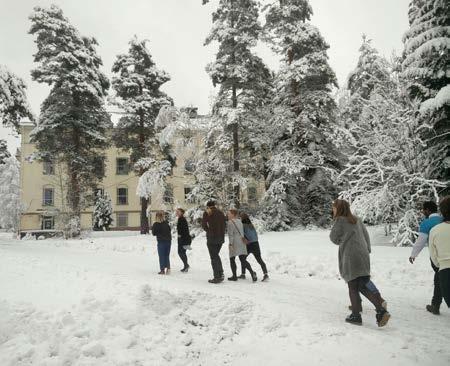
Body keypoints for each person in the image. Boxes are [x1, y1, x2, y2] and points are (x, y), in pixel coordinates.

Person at [330, 199, 390, 327]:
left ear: (339, 209)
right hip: (363, 254)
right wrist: (367, 249)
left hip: (350, 256)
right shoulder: (357, 219)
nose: (333, 210)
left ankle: (359, 315)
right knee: (361, 284)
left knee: (353, 285)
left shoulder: (340, 220)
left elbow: (333, 238)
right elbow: (366, 235)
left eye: (334, 208)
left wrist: (342, 240)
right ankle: (372, 310)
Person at [409, 201, 443, 315]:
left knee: (439, 279)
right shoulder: (444, 219)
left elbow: (420, 241)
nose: (422, 212)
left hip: (437, 257)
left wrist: (413, 255)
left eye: (423, 209)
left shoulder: (427, 223)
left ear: (428, 210)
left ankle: (435, 305)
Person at [429, 196, 450, 308]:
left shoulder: (435, 230)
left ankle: (435, 304)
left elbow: (433, 256)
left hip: (445, 271)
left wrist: (440, 265)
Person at [227, 209, 257, 282]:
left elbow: (230, 235)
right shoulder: (240, 221)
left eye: (229, 214)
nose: (228, 215)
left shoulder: (230, 222)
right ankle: (252, 272)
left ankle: (234, 276)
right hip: (242, 242)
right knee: (243, 260)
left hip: (235, 242)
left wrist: (230, 244)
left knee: (232, 259)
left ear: (233, 214)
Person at [239, 213, 269, 282]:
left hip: (249, 244)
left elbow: (241, 235)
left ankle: (244, 274)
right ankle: (266, 274)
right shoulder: (251, 225)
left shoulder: (243, 226)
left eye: (240, 218)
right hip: (256, 244)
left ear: (242, 219)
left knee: (242, 258)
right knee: (259, 259)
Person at [202, 200, 226, 284]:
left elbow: (204, 225)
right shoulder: (221, 213)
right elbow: (224, 225)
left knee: (213, 257)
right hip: (220, 238)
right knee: (216, 256)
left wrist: (209, 231)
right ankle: (221, 273)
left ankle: (217, 277)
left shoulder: (207, 213)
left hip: (212, 238)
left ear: (208, 206)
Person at [151, 211, 172, 275]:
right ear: (163, 217)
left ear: (156, 217)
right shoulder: (166, 223)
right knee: (166, 255)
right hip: (168, 241)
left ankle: (162, 270)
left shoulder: (156, 224)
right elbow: (169, 230)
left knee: (161, 256)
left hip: (161, 242)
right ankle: (168, 269)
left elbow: (154, 233)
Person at [176, 208, 191, 273]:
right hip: (183, 239)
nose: (176, 213)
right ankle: (186, 265)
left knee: (181, 252)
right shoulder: (181, 219)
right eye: (176, 212)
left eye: (178, 212)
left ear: (182, 212)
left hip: (184, 239)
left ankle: (186, 266)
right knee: (182, 252)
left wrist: (180, 235)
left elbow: (184, 230)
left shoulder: (182, 219)